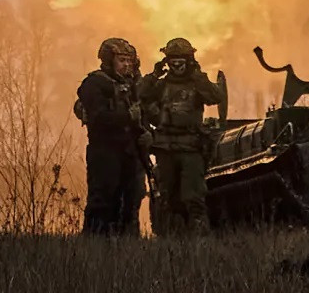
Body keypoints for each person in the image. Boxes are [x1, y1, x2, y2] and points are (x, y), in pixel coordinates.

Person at [135, 38, 226, 235]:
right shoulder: (160, 85)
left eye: (181, 60)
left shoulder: (196, 84)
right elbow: (138, 94)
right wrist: (154, 75)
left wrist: (199, 75)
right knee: (168, 199)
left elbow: (216, 97)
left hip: (191, 149)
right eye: (172, 60)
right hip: (165, 148)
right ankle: (172, 240)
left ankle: (199, 242)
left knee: (193, 198)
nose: (176, 65)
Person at [75, 37, 147, 236]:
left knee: (132, 200)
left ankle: (128, 246)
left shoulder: (134, 85)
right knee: (103, 201)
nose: (127, 65)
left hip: (131, 151)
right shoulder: (95, 84)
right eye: (122, 60)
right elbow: (98, 117)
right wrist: (126, 116)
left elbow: (146, 112)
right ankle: (96, 245)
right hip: (105, 151)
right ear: (109, 60)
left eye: (129, 61)